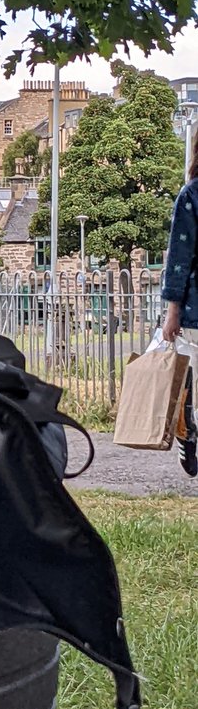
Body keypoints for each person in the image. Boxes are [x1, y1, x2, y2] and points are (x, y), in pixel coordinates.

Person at [160, 128, 198, 476]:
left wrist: (173, 310)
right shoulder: (191, 196)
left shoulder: (191, 195)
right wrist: (173, 311)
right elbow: (179, 256)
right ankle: (188, 425)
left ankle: (188, 426)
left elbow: (179, 257)